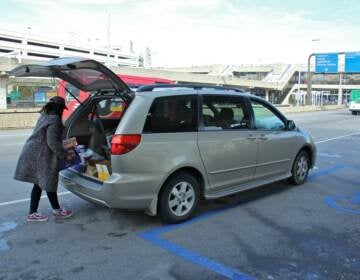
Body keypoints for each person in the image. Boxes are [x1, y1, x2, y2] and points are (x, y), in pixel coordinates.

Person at [14, 96, 74, 222]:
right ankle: (55, 211)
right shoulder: (55, 119)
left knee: (40, 183)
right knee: (48, 181)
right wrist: (65, 154)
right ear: (60, 109)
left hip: (33, 151)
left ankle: (34, 213)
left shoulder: (44, 116)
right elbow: (52, 142)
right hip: (41, 155)